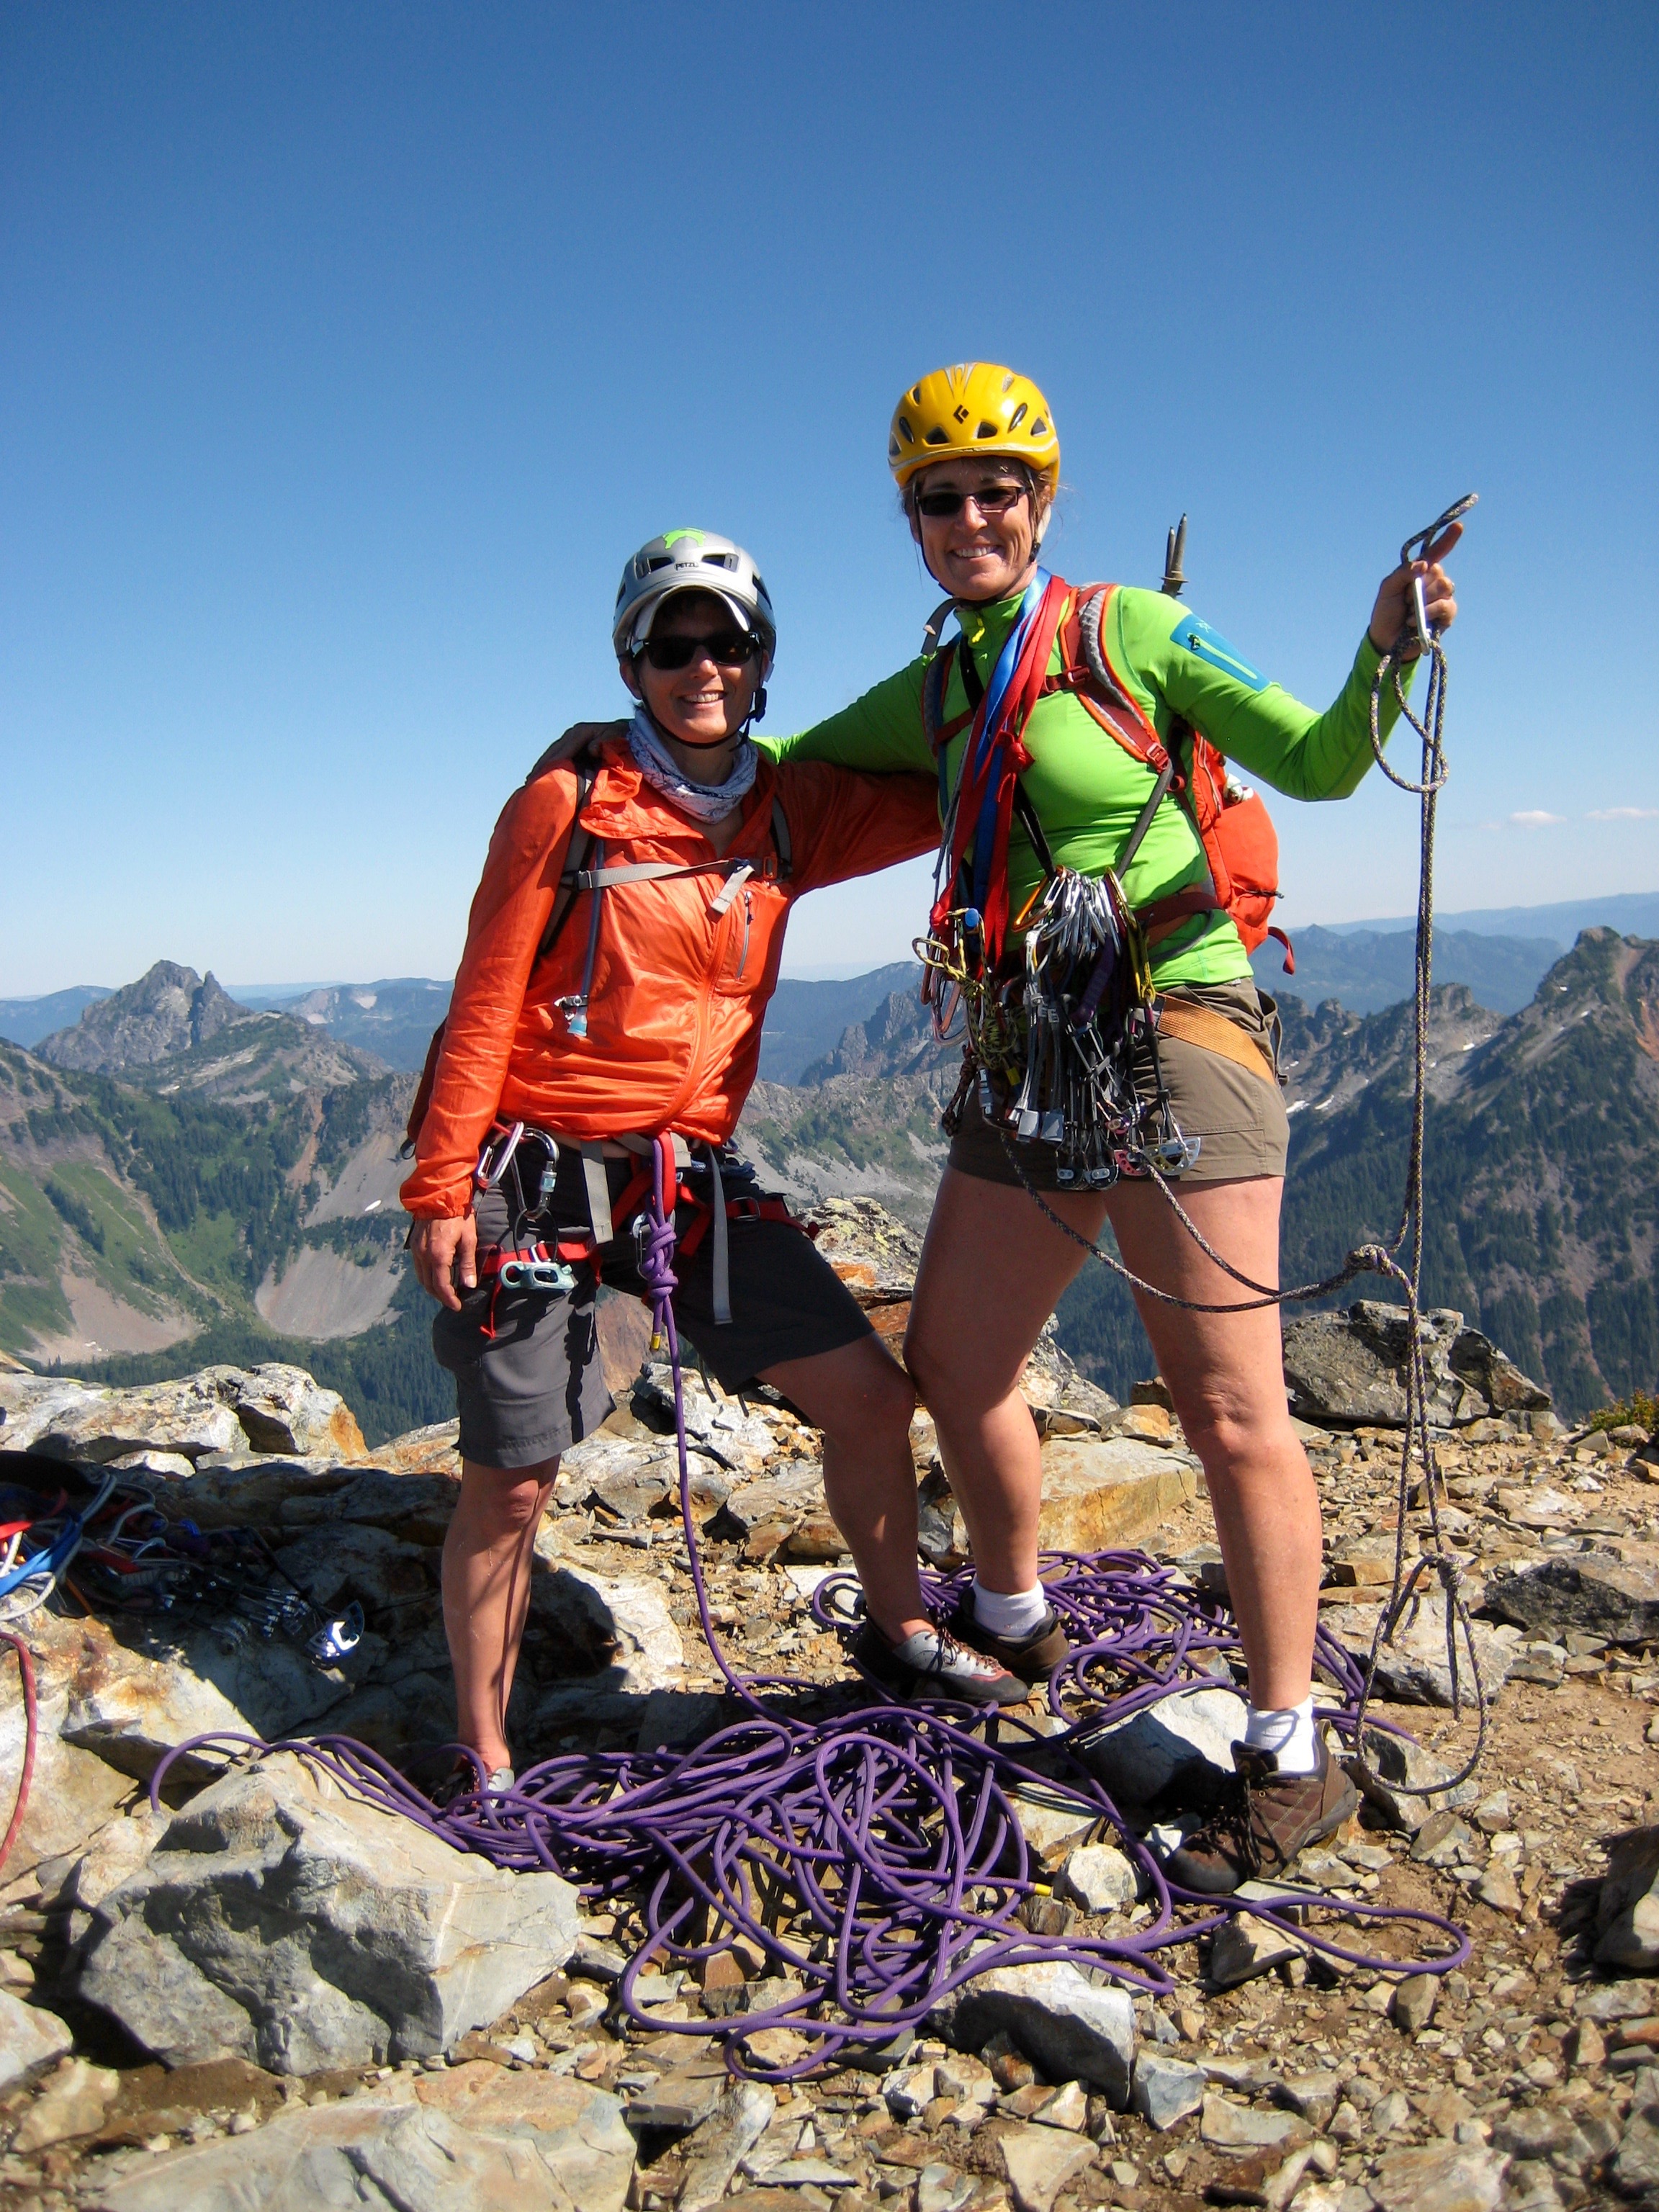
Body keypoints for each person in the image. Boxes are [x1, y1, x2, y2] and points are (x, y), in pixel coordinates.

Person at [757, 365, 1462, 1890]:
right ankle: (1010, 1619)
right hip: (1028, 1051)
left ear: (1044, 498)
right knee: (955, 1362)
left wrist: (1384, 646)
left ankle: (1290, 1752)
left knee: (1226, 1409)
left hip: (1179, 1031)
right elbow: (781, 782)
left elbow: (1329, 762)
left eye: (998, 487)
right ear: (914, 523)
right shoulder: (938, 685)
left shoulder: (1126, 632)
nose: (971, 516)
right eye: (940, 498)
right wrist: (623, 770)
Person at [401, 529, 1037, 1792]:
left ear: (761, 665)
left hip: (687, 1173)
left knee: (867, 1398)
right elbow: (484, 998)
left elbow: (955, 797)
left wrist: (1043, 705)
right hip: (539, 1167)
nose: (704, 665)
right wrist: (439, 1186)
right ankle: (483, 1752)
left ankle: (903, 1630)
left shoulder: (787, 812)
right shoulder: (569, 804)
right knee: (517, 1479)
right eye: (675, 643)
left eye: (728, 643)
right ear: (634, 661)